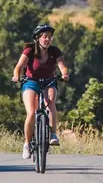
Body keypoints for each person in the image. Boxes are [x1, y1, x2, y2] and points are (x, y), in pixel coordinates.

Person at [15, 24, 68, 160]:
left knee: (50, 104)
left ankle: (53, 134)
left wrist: (64, 74)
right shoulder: (30, 50)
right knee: (31, 112)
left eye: (50, 37)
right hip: (31, 82)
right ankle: (27, 144)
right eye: (45, 37)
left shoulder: (54, 51)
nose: (48, 39)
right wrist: (16, 75)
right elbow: (19, 66)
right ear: (38, 38)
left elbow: (62, 66)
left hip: (49, 81)